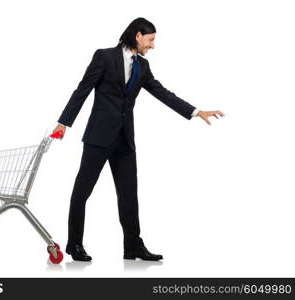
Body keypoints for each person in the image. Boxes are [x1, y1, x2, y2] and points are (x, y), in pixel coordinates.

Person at [53, 17, 224, 262]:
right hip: (98, 137)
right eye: (151, 39)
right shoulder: (104, 57)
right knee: (82, 192)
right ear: (137, 36)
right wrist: (64, 123)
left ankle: (133, 246)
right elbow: (83, 89)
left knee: (129, 195)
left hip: (124, 140)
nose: (152, 45)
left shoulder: (142, 66)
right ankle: (75, 244)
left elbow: (162, 93)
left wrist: (196, 111)